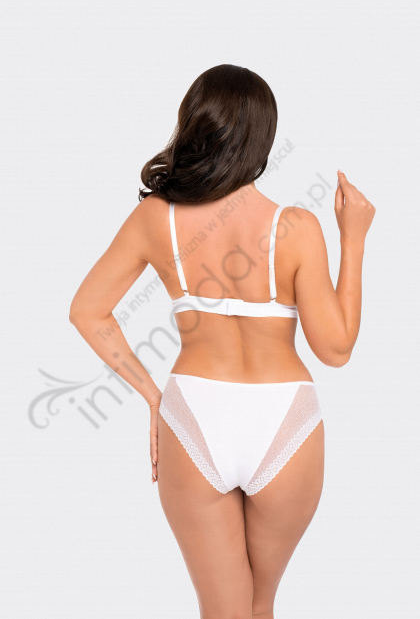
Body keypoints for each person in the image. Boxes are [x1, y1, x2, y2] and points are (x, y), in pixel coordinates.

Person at [69, 64, 375, 618]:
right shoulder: (296, 226)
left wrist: (153, 397)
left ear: (193, 121)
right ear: (263, 137)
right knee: (260, 606)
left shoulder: (156, 218)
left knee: (225, 612)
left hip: (194, 414)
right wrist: (352, 239)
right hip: (285, 419)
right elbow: (335, 349)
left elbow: (88, 312)